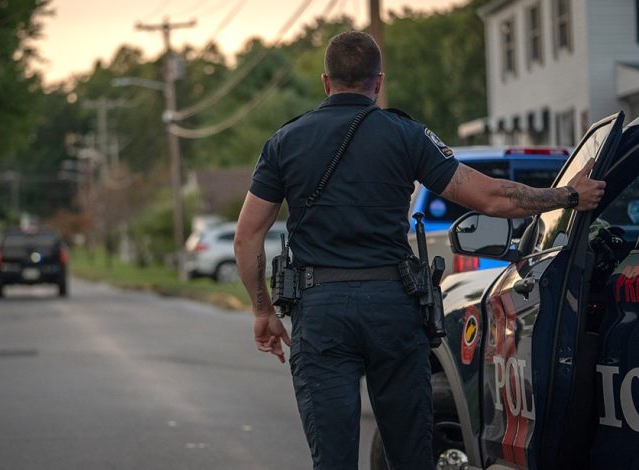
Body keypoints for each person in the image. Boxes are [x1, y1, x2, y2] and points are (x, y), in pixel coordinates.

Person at [233, 31, 605, 470]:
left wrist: (263, 311)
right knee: (411, 454)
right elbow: (492, 198)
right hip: (393, 306)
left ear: (325, 82)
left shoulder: (285, 141)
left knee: (331, 458)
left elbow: (246, 238)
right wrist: (567, 196)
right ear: (378, 82)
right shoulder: (406, 135)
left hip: (321, 311)